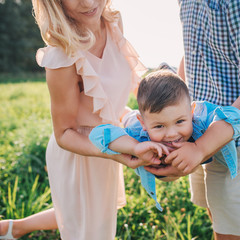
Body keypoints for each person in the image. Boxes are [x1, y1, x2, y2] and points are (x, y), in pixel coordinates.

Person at [0, 0, 163, 239]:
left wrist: (134, 123)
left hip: (109, 144)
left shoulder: (113, 22)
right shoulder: (61, 54)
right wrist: (117, 152)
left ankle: (12, 228)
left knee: (86, 218)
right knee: (86, 226)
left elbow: (107, 103)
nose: (88, 2)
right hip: (79, 155)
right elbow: (64, 133)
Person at [145, 1, 240, 239]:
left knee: (235, 232)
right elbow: (194, 51)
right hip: (202, 127)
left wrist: (200, 149)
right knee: (220, 219)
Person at [88, 69, 240, 212]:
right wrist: (135, 147)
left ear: (191, 112)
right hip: (136, 124)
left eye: (179, 122)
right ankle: (124, 112)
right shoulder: (139, 133)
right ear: (144, 123)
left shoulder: (200, 119)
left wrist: (199, 147)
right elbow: (97, 135)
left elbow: (237, 116)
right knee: (128, 118)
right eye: (159, 126)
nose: (171, 134)